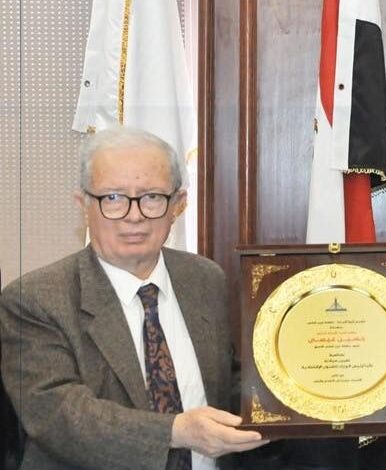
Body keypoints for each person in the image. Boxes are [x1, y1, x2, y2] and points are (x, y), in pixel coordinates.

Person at [0, 127, 267, 470]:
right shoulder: (35, 299)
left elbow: (225, 381)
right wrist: (175, 431)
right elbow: (60, 416)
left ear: (178, 204)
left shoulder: (205, 278)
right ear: (83, 204)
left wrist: (293, 396)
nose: (134, 215)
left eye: (152, 196)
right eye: (113, 197)